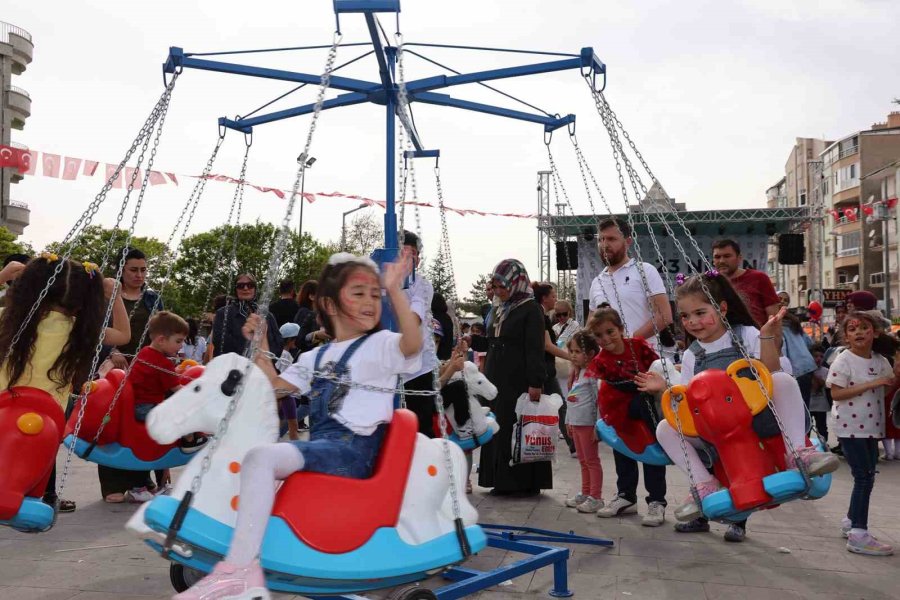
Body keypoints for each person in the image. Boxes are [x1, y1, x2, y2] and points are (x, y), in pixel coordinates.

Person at [174, 253, 422, 599]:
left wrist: (396, 290)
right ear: (330, 305)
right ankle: (243, 542)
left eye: (373, 294)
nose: (369, 302)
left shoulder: (379, 345)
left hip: (354, 451)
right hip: (325, 448)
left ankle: (242, 567)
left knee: (262, 458)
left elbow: (413, 343)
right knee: (245, 456)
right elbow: (273, 386)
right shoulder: (314, 357)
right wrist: (260, 344)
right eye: (358, 293)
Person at [637, 272, 838, 542]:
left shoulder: (746, 335)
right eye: (685, 317)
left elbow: (770, 371)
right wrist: (664, 389)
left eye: (700, 312)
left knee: (781, 380)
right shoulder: (690, 355)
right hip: (720, 431)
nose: (693, 322)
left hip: (757, 419)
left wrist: (767, 338)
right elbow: (687, 403)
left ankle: (798, 452)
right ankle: (703, 484)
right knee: (665, 428)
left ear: (721, 308)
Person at [0, 255, 132, 513]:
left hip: (4, 407)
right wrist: (115, 297)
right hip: (47, 416)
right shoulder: (78, 330)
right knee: (33, 463)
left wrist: (3, 277)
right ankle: (33, 500)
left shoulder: (11, 320)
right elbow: (124, 335)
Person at [588, 218, 672, 522]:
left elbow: (664, 315)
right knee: (619, 431)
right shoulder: (597, 281)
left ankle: (657, 500)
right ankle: (625, 495)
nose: (605, 245)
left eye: (611, 239)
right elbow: (592, 326)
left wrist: (628, 344)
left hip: (643, 368)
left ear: (627, 240)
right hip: (611, 374)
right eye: (601, 240)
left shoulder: (644, 271)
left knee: (650, 432)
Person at [478, 259, 551, 496]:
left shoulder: (530, 308)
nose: (498, 292)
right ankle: (500, 480)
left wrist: (535, 382)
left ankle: (522, 483)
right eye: (495, 287)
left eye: (503, 286)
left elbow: (534, 348)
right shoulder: (500, 308)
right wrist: (472, 341)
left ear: (516, 283)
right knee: (498, 426)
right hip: (496, 377)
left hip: (517, 378)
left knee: (516, 427)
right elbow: (493, 341)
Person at [826, 311, 896, 556]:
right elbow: (836, 394)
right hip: (850, 427)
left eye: (864, 328)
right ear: (846, 336)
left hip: (872, 427)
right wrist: (871, 384)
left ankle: (851, 521)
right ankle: (858, 533)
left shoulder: (880, 361)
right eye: (852, 329)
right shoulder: (843, 360)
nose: (858, 332)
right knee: (864, 477)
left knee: (867, 476)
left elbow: (885, 393)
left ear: (875, 332)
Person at [588, 307, 665, 526]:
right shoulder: (600, 361)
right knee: (623, 452)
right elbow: (595, 391)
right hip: (617, 412)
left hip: (645, 407)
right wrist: (597, 423)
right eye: (599, 335)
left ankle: (657, 501)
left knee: (652, 453)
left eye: (610, 331)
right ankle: (626, 497)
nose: (606, 338)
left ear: (621, 329)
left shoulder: (638, 346)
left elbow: (659, 368)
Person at [128, 311, 190, 501]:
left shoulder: (146, 352)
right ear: (162, 340)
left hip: (139, 405)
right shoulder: (161, 362)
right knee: (173, 426)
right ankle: (190, 440)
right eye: (178, 341)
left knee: (157, 441)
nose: (182, 345)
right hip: (145, 408)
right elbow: (177, 389)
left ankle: (159, 484)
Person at [399, 231, 438, 438]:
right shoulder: (381, 283)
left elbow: (414, 320)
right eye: (403, 252)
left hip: (419, 368)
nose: (408, 257)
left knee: (421, 426)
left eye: (413, 253)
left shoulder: (422, 285)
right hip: (390, 365)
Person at [533, 282, 575, 456]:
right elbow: (548, 346)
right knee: (560, 406)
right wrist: (570, 357)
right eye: (553, 296)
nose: (555, 299)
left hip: (542, 369)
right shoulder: (538, 316)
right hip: (543, 370)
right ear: (544, 298)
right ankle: (572, 444)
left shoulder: (539, 315)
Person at [564, 331, 603, 513]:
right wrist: (568, 420)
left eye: (578, 351)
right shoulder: (577, 373)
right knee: (582, 460)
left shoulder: (592, 374)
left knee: (591, 460)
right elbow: (571, 398)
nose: (573, 355)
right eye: (571, 351)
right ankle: (586, 492)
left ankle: (596, 496)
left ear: (590, 354)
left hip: (588, 424)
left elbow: (598, 400)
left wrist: (598, 425)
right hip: (576, 423)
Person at [107, 247, 163, 369]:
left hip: (146, 363)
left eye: (143, 270)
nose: (139, 275)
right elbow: (97, 331)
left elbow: (162, 332)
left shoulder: (153, 298)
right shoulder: (109, 297)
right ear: (121, 271)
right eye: (133, 270)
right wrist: (112, 350)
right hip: (114, 364)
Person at [711, 239, 781, 328]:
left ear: (739, 258)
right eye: (717, 257)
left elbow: (774, 317)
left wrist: (774, 340)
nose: (721, 261)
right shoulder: (710, 283)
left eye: (727, 256)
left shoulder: (759, 278)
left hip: (758, 339)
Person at [211, 274, 283, 359]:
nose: (245, 288)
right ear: (235, 289)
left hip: (261, 367)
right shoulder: (223, 313)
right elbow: (220, 344)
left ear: (255, 289)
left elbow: (278, 344)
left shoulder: (267, 315)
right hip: (232, 366)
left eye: (250, 285)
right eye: (240, 286)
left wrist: (263, 359)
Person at [275, 322, 303, 440]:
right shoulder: (285, 356)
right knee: (292, 425)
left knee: (282, 423)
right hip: (285, 396)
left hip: (282, 395)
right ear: (291, 340)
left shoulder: (279, 353)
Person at [552, 299, 580, 396]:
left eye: (564, 314)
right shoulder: (554, 327)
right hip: (557, 366)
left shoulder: (574, 325)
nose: (561, 317)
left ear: (570, 312)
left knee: (570, 393)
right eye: (558, 315)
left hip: (569, 364)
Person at [293, 280, 329, 352]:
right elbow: (299, 340)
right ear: (311, 296)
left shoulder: (312, 313)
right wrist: (317, 335)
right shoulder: (305, 313)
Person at [809, 344, 831, 443]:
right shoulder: (804, 370)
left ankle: (824, 445)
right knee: (807, 427)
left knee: (822, 428)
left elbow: (826, 385)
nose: (819, 359)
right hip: (808, 405)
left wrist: (813, 374)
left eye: (821, 357)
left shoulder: (825, 371)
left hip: (821, 406)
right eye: (816, 356)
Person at [882, 348, 900, 461]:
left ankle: (889, 453)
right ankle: (897, 453)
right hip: (895, 405)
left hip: (888, 403)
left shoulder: (889, 377)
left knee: (887, 428)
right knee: (897, 427)